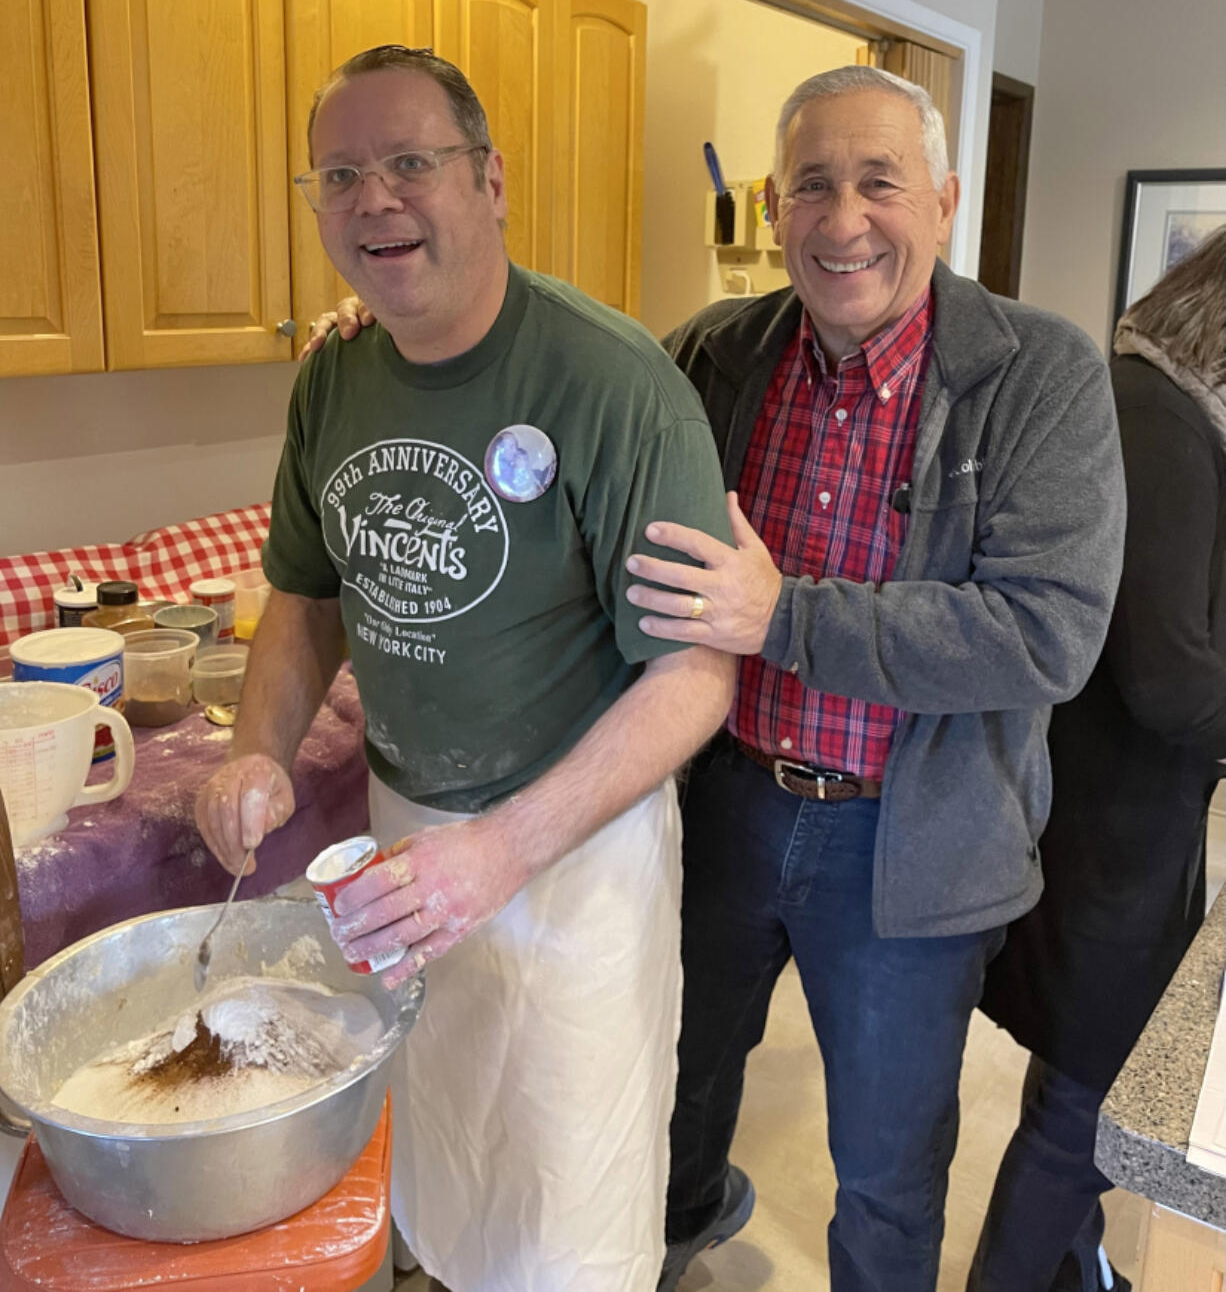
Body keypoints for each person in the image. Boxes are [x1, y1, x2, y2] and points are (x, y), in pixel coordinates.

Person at [299, 65, 1127, 1292]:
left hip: (906, 840)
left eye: (877, 183)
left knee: (886, 1171)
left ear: (944, 202)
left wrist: (784, 616)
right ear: (773, 206)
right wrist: (396, 318)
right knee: (673, 1100)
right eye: (807, 185)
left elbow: (1046, 632)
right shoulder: (711, 354)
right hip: (723, 805)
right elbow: (566, 441)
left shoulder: (1040, 376)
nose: (841, 220)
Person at [194, 45, 735, 1292]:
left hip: (573, 853)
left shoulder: (613, 384)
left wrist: (499, 847)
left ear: (488, 181)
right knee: (437, 1151)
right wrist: (253, 750)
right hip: (402, 830)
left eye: (409, 163)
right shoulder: (333, 374)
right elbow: (304, 593)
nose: (374, 198)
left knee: (562, 1192)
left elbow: (696, 675)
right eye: (340, 174)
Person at [971, 224, 1226, 1292]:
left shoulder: (1160, 407)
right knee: (1082, 1097)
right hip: (1104, 828)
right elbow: (1167, 678)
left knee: (1084, 1075)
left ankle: (1075, 1266)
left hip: (1114, 819)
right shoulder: (1154, 424)